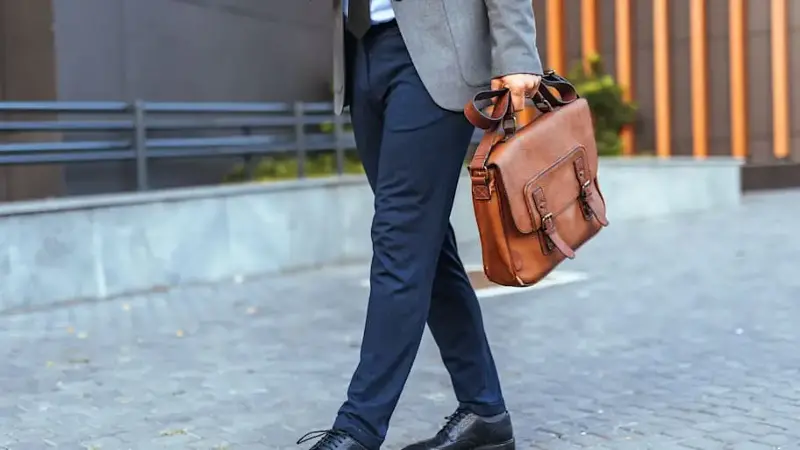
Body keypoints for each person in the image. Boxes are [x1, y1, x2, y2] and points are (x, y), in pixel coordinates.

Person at [298, 1, 543, 449]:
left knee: (399, 240)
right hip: (361, 51)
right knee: (424, 243)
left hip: (436, 54)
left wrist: (517, 52)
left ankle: (358, 428)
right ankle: (485, 411)